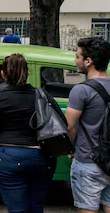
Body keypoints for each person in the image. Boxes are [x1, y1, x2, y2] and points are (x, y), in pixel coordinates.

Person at [0, 53, 57, 213]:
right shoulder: (42, 95)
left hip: (8, 154)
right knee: (36, 207)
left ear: (3, 73)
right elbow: (58, 122)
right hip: (41, 155)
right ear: (27, 72)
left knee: (17, 208)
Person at [65, 37, 110, 213]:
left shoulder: (81, 90)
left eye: (77, 57)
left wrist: (70, 147)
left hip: (88, 161)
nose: (75, 60)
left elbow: (70, 126)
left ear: (88, 61)